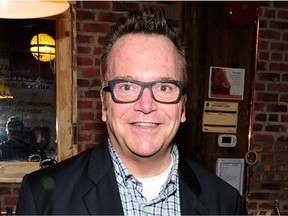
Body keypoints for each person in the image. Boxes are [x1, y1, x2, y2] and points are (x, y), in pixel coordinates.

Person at [16, 9, 242, 215]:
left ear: (182, 106)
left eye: (164, 87)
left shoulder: (224, 202)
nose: (146, 105)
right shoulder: (43, 199)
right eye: (127, 87)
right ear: (104, 104)